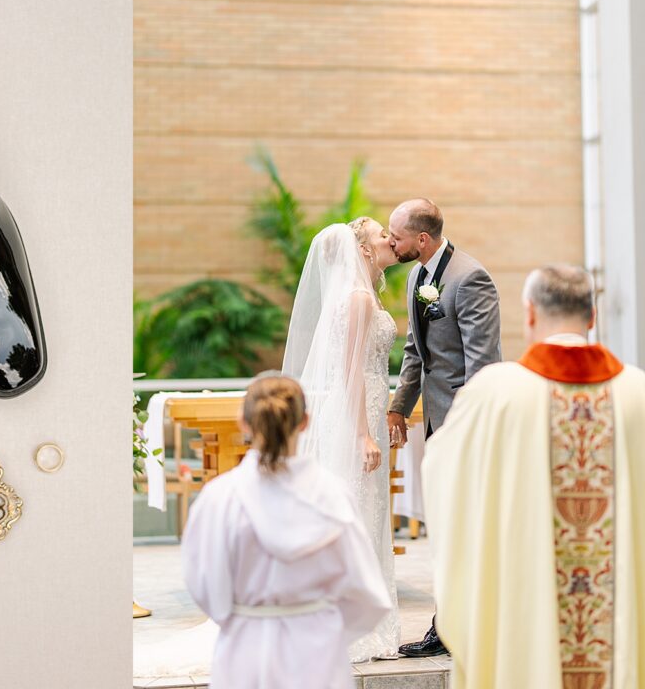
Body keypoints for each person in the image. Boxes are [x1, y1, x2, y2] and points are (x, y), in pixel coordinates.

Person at [422, 265, 645, 689]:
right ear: (592, 317)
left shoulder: (494, 394)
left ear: (528, 314)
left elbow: (441, 475)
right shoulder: (638, 393)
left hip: (526, 613)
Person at [182, 373, 392, 689]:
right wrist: (321, 624)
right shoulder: (332, 496)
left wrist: (243, 618)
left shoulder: (220, 497)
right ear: (305, 422)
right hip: (317, 653)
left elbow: (203, 583)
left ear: (243, 422)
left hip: (245, 649)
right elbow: (366, 594)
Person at [384, 198, 501, 658]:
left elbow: (483, 365)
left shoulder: (470, 278)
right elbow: (417, 352)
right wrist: (398, 408)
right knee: (448, 531)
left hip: (465, 430)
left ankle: (464, 629)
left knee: (467, 530)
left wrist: (468, 433)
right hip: (436, 426)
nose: (392, 242)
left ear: (422, 239)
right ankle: (450, 625)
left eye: (397, 236)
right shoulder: (418, 277)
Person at [281, 219, 402, 661]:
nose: (389, 239)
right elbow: (350, 372)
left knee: (362, 513)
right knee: (356, 514)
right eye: (379, 235)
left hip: (361, 409)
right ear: (364, 250)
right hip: (356, 415)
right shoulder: (357, 299)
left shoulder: (361, 295)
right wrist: (364, 435)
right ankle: (349, 626)